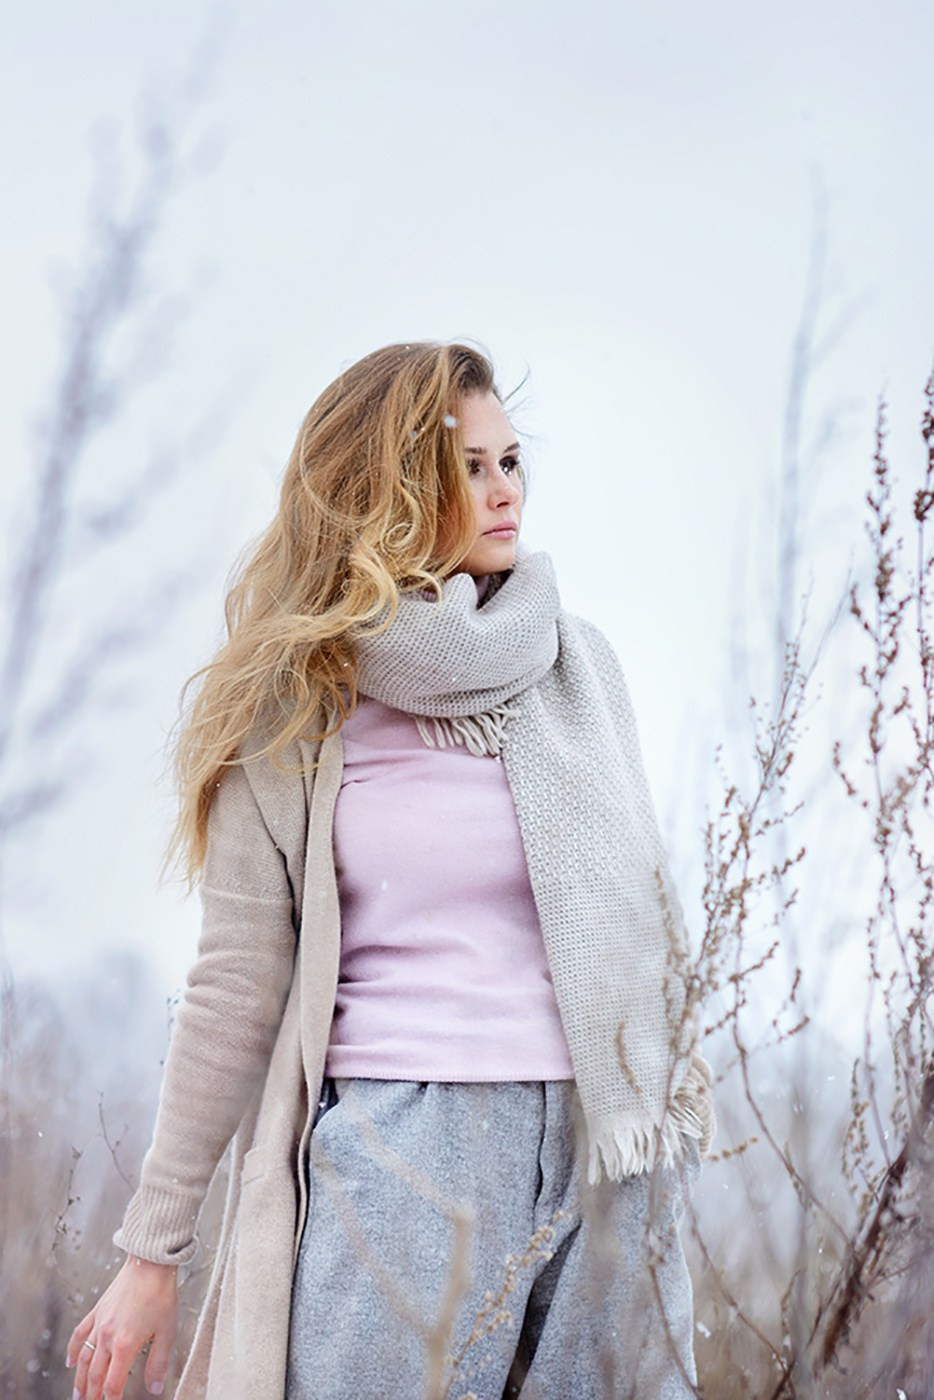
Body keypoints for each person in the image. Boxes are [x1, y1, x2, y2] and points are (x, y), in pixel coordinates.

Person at [66, 341, 714, 1400]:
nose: (505, 491)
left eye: (512, 462)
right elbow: (236, 981)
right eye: (470, 466)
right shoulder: (296, 704)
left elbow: (644, 913)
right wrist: (153, 1249)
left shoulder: (576, 665)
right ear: (393, 487)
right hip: (409, 1144)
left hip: (606, 1141)